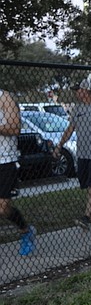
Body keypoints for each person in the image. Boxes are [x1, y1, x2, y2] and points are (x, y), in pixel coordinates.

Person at [54, 75, 91, 228]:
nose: (76, 92)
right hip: (82, 154)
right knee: (87, 184)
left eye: (79, 89)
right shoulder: (77, 108)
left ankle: (87, 216)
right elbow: (70, 129)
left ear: (87, 90)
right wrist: (59, 145)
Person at [0, 90, 36, 256]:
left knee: (3, 207)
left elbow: (15, 128)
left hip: (5, 160)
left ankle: (25, 230)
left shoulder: (4, 97)